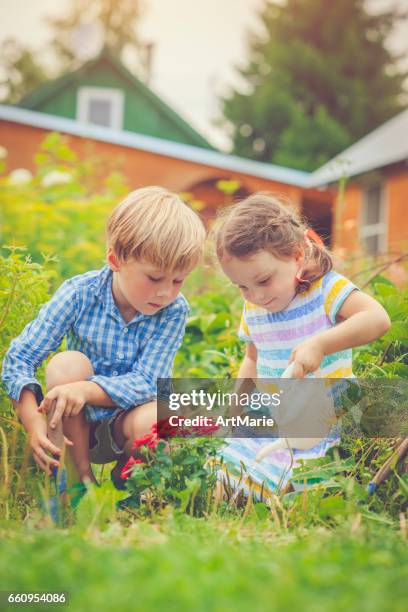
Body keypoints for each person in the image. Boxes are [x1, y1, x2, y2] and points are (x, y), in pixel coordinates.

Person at [2, 186, 206, 511]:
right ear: (115, 259)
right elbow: (20, 358)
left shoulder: (173, 310)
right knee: (66, 365)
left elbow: (147, 381)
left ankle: (131, 485)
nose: (166, 292)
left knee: (164, 418)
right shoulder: (80, 294)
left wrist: (87, 389)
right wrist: (32, 421)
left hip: (127, 421)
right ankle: (76, 482)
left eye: (178, 280)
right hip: (76, 425)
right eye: (154, 277)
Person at [213, 193, 391, 499]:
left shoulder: (324, 289)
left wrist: (320, 344)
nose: (255, 296)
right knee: (225, 471)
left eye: (264, 280)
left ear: (296, 255)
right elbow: (252, 360)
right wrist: (235, 411)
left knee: (303, 487)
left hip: (324, 420)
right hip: (276, 414)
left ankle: (287, 493)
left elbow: (377, 319)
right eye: (242, 286)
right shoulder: (254, 309)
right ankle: (246, 495)